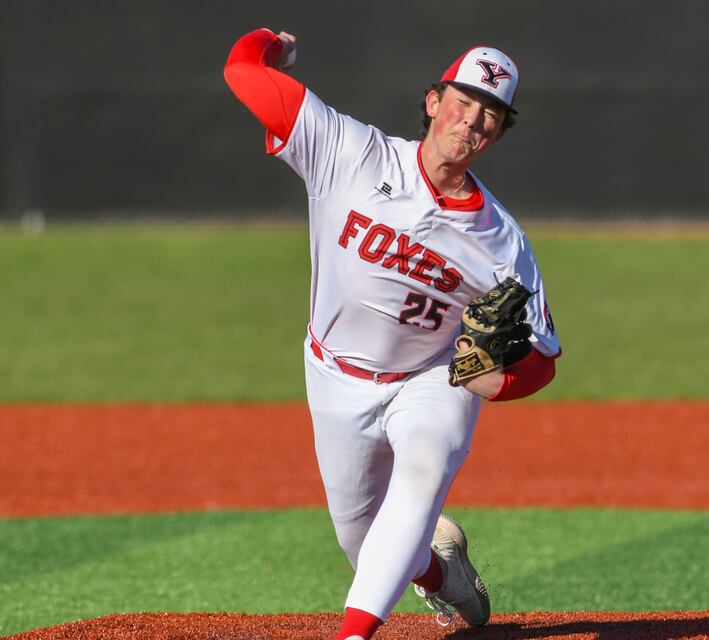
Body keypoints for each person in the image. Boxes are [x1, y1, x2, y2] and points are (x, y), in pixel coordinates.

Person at [224, 27, 561, 640]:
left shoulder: (503, 244)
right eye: (463, 101)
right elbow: (243, 73)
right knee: (366, 545)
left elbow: (542, 358)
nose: (472, 120)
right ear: (434, 102)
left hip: (433, 376)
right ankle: (439, 572)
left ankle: (354, 635)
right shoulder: (352, 152)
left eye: (490, 115)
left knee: (427, 463)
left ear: (500, 133)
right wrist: (270, 42)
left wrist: (497, 381)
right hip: (334, 375)